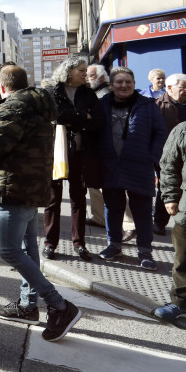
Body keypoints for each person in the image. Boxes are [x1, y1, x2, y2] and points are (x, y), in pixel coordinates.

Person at [0, 65, 83, 342]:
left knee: (9, 250)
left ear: (2, 86)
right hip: (33, 186)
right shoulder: (38, 104)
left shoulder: (11, 107)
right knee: (26, 248)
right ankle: (27, 305)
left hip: (14, 187)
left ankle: (59, 306)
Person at [96, 67, 166, 270]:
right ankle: (114, 245)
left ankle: (145, 251)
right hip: (110, 166)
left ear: (134, 84)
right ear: (112, 84)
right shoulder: (102, 104)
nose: (124, 85)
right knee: (112, 208)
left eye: (128, 82)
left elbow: (160, 133)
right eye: (119, 82)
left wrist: (151, 158)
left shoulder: (147, 105)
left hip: (139, 167)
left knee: (142, 211)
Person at [44, 57, 104, 261]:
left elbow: (99, 120)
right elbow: (57, 115)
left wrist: (77, 119)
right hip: (57, 154)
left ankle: (79, 244)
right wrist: (82, 116)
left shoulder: (88, 93)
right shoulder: (52, 91)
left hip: (81, 153)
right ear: (68, 71)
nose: (85, 73)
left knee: (79, 199)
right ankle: (50, 243)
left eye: (86, 70)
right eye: (81, 70)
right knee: (53, 200)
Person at [155, 120, 186, 326]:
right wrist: (170, 197)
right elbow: (169, 163)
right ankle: (179, 304)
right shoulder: (183, 129)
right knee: (183, 261)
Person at [154, 74, 186, 236]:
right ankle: (160, 222)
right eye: (183, 87)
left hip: (184, 154)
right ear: (169, 88)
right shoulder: (157, 106)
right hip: (164, 156)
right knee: (165, 187)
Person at [85, 64, 112, 227]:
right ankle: (99, 218)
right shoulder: (95, 93)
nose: (88, 78)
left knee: (111, 187)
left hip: (103, 147)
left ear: (101, 77)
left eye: (91, 76)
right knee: (95, 185)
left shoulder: (104, 95)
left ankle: (129, 223)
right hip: (94, 148)